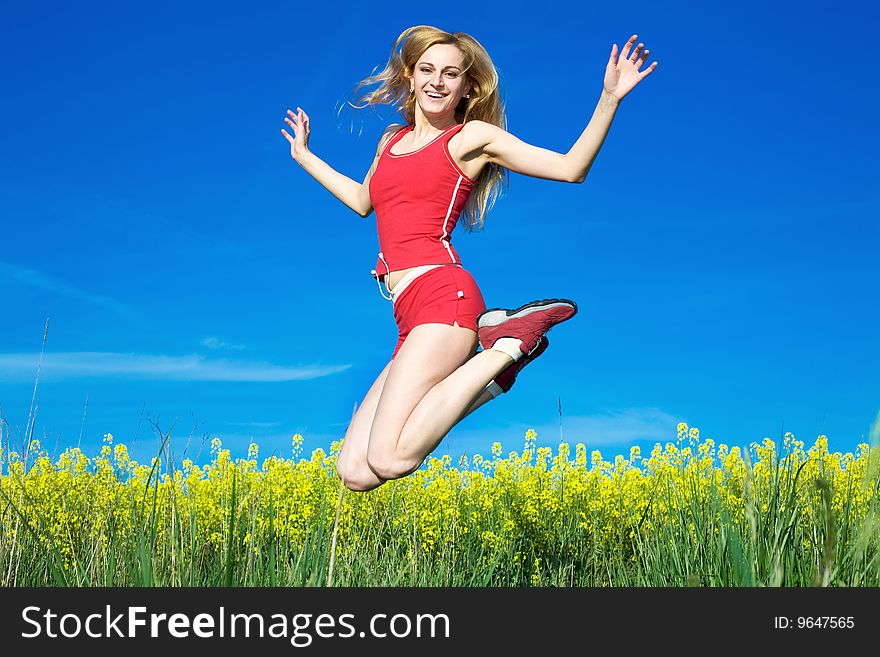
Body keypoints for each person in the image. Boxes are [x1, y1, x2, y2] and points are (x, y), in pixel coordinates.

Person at [281, 26, 657, 492]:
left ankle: (505, 345)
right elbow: (363, 201)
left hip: (444, 298)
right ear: (411, 77)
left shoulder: (469, 139)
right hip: (407, 315)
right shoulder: (390, 143)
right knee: (356, 471)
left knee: (390, 456)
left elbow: (570, 168)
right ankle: (501, 366)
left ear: (466, 86)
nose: (437, 81)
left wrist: (609, 98)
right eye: (427, 70)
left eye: (451, 74)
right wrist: (304, 157)